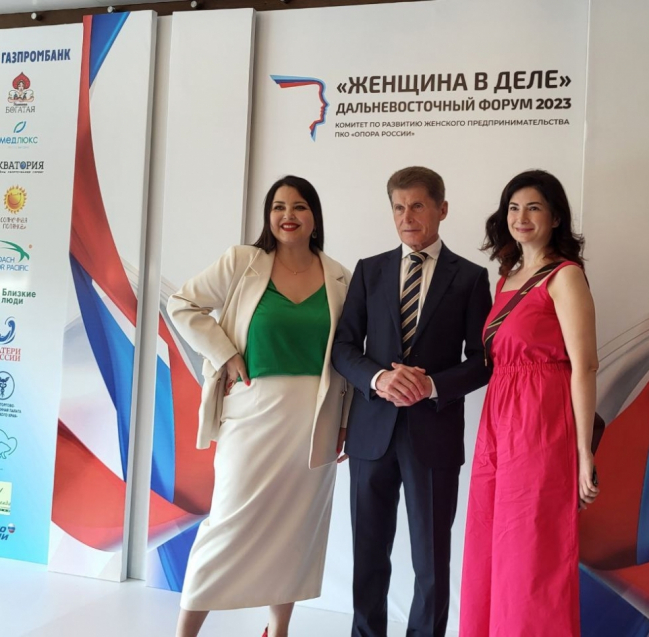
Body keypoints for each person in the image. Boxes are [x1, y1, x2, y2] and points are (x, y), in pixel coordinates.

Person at [167, 176, 352, 637]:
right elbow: (182, 304)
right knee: (228, 522)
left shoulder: (341, 277)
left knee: (295, 529)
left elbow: (349, 355)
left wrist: (346, 423)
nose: (288, 215)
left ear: (315, 218)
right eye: (278, 207)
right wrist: (225, 353)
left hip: (314, 421)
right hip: (252, 413)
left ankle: (278, 630)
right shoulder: (242, 262)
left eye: (300, 206)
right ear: (268, 216)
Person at [332, 166, 492, 637]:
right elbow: (343, 348)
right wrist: (379, 378)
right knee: (368, 554)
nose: (407, 217)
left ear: (442, 209)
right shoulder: (370, 270)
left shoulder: (470, 278)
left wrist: (432, 385)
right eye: (399, 207)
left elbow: (483, 361)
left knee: (431, 560)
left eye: (418, 206)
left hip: (434, 435)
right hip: (371, 434)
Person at [459, 170, 600, 637]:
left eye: (533, 207)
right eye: (513, 208)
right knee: (490, 542)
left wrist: (583, 452)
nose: (521, 217)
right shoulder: (506, 278)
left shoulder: (565, 276)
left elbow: (585, 366)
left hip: (542, 419)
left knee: (532, 550)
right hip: (499, 418)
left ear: (555, 217)